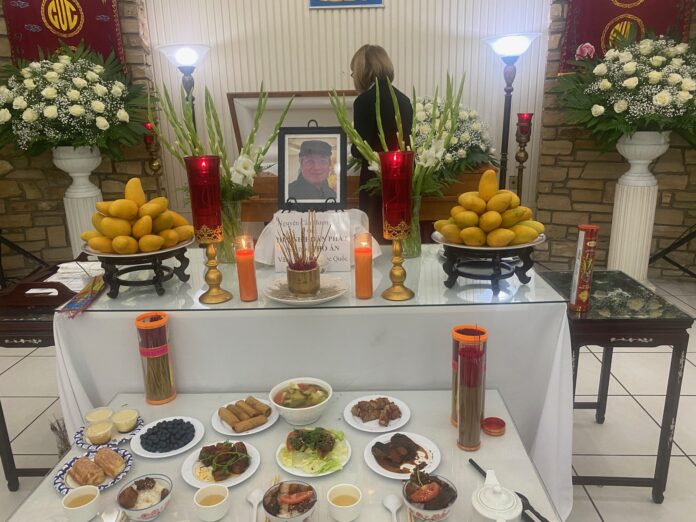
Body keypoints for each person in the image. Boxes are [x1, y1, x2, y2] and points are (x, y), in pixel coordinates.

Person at [350, 44, 413, 241]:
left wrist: (352, 143)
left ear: (363, 71)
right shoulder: (403, 100)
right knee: (397, 230)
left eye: (353, 72)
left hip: (373, 180)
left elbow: (360, 150)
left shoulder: (363, 102)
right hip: (400, 178)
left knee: (374, 232)